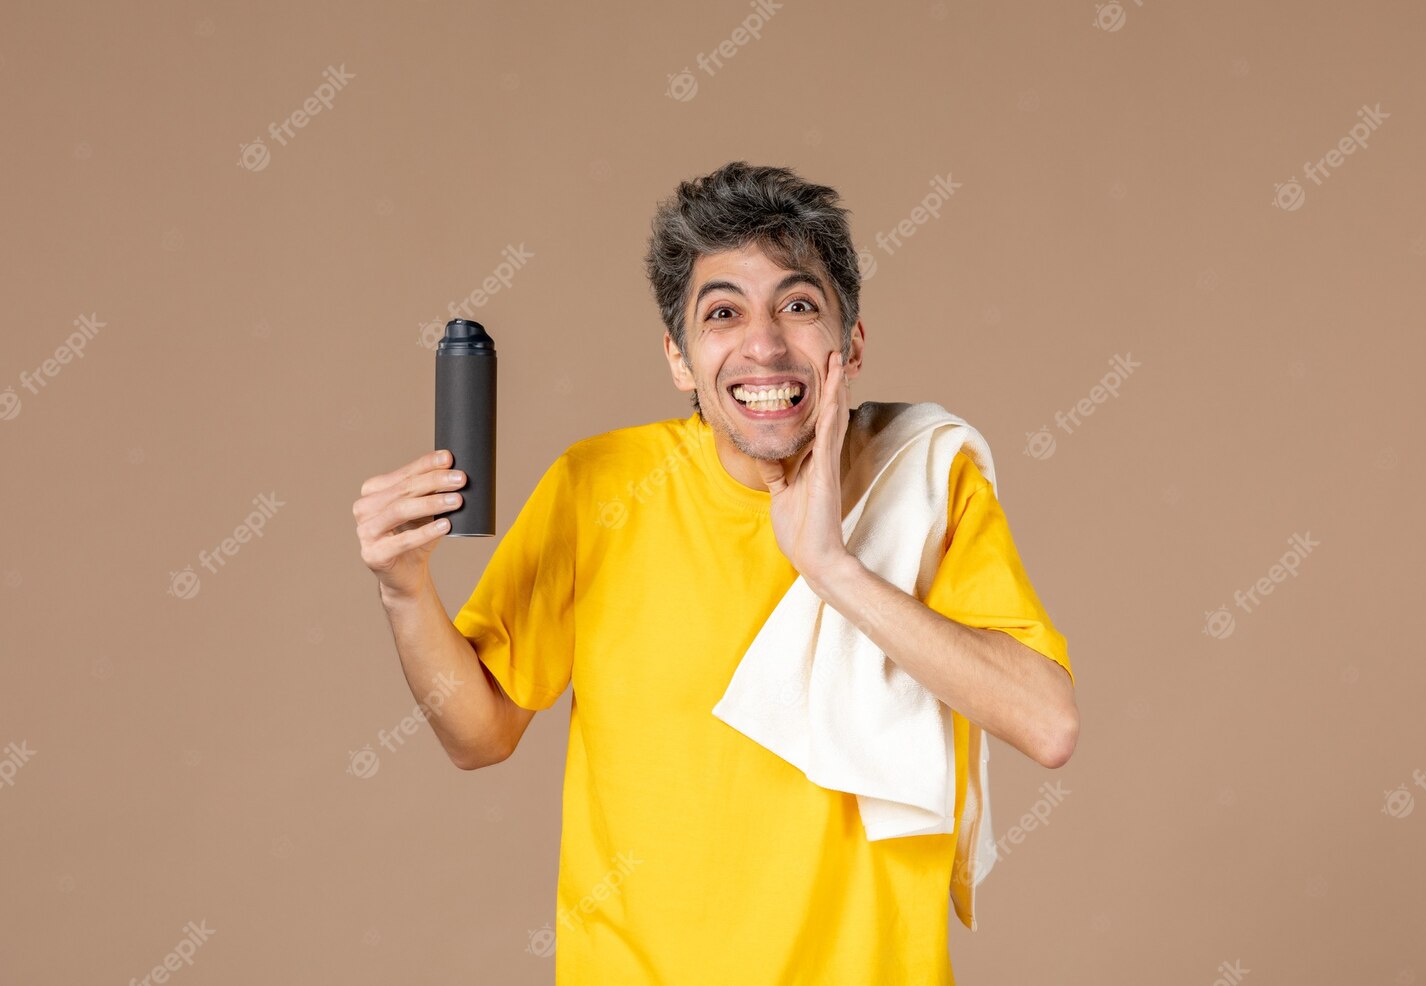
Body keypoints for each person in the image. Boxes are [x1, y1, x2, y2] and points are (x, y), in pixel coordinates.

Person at [352, 161, 1078, 984]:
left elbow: (1047, 724)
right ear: (679, 357)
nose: (764, 345)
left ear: (854, 342)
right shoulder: (598, 488)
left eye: (799, 306)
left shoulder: (923, 481)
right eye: (723, 313)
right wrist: (404, 591)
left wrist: (835, 569)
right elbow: (477, 736)